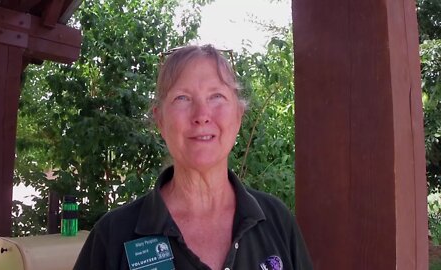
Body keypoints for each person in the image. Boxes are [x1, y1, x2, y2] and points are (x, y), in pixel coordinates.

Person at [73, 45, 313, 270]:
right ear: (160, 120)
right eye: (182, 98)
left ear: (238, 115)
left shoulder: (277, 221)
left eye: (216, 96)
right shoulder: (113, 236)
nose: (202, 115)